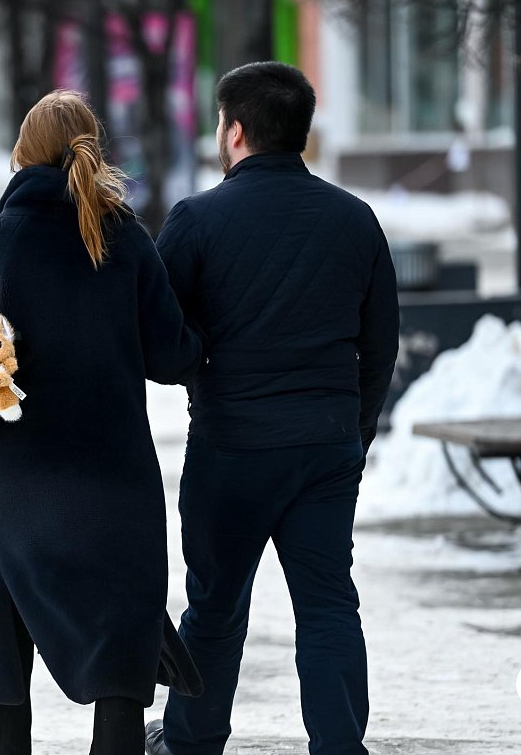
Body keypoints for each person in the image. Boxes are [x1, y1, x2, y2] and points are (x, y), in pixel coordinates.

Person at [0, 90, 205, 755]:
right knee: (124, 606)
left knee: (6, 588)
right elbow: (173, 357)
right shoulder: (126, 239)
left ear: (22, 154)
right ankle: (117, 738)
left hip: (18, 472)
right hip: (115, 476)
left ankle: (3, 729)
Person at [144, 62, 400, 755]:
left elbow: (157, 340)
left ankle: (191, 743)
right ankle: (340, 746)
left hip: (231, 447)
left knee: (216, 607)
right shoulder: (354, 219)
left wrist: (198, 366)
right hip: (325, 446)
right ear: (301, 134)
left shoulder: (197, 219)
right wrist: (354, 428)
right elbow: (381, 343)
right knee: (328, 604)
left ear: (234, 131)